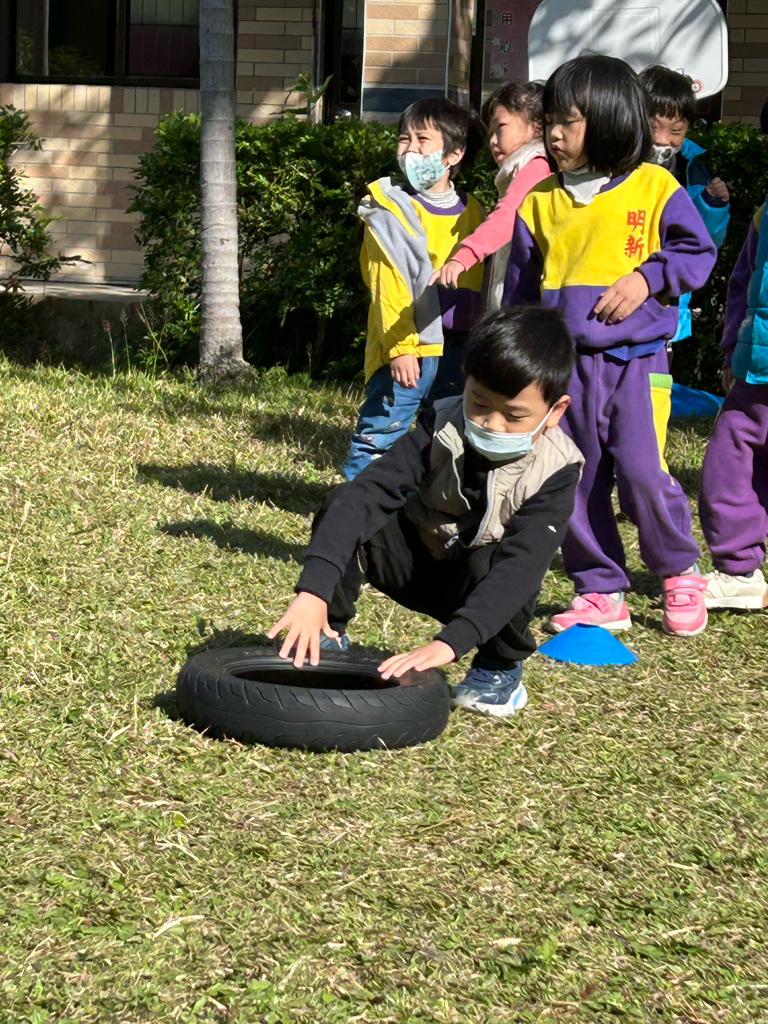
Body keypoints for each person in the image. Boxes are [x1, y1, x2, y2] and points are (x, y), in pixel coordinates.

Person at [268, 306, 583, 718]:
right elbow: (366, 495)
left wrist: (450, 643)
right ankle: (325, 631)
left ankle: (497, 669)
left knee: (505, 564)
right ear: (466, 380)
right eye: (479, 403)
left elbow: (521, 566)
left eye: (514, 415)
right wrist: (314, 591)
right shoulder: (439, 425)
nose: (492, 423)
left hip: (480, 587)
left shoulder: (557, 469)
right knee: (344, 500)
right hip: (415, 564)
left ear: (555, 410)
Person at [504, 55, 717, 637]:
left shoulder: (655, 186)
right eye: (549, 120)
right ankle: (599, 588)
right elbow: (519, 292)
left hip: (639, 363)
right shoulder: (538, 200)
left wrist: (647, 279)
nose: (553, 133)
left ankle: (679, 571)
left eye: (567, 121)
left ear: (611, 120)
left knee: (644, 472)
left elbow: (697, 252)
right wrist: (518, 355)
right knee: (575, 478)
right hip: (565, 370)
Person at [341, 97, 486, 481]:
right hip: (408, 345)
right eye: (404, 139)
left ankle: (420, 504)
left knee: (444, 434)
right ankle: (355, 503)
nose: (410, 150)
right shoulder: (387, 210)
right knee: (381, 431)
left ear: (454, 153)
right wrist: (401, 348)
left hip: (458, 347)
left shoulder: (475, 212)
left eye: (423, 140)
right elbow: (386, 286)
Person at [698, 193, 768, 611]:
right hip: (755, 368)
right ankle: (739, 571)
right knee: (727, 465)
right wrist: (730, 350)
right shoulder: (764, 211)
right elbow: (741, 281)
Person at [428, 80, 551, 310]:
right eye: (490, 133)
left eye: (500, 127)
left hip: (526, 304)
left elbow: (508, 215)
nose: (493, 141)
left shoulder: (536, 165)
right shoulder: (522, 167)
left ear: (536, 125)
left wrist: (464, 256)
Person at [640, 65, 731, 342]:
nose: (662, 140)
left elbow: (706, 241)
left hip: (669, 303)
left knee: (660, 368)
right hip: (622, 290)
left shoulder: (692, 170)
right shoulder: (616, 166)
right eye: (653, 127)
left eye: (676, 130)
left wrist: (711, 205)